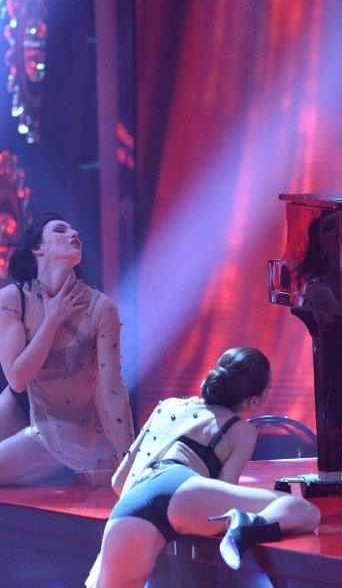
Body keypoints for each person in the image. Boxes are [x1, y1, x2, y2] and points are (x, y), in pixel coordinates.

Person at [88, 347, 320, 587]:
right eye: (269, 388)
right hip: (184, 489)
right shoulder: (240, 430)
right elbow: (223, 493)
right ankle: (247, 525)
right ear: (254, 400)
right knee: (303, 510)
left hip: (132, 504)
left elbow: (119, 482)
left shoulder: (167, 406)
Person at [0, 213, 133, 485]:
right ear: (38, 248)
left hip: (73, 424)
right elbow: (17, 379)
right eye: (60, 230)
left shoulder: (101, 308)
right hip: (25, 400)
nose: (73, 234)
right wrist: (52, 319)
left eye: (75, 231)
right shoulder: (12, 298)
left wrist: (128, 461)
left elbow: (112, 388)